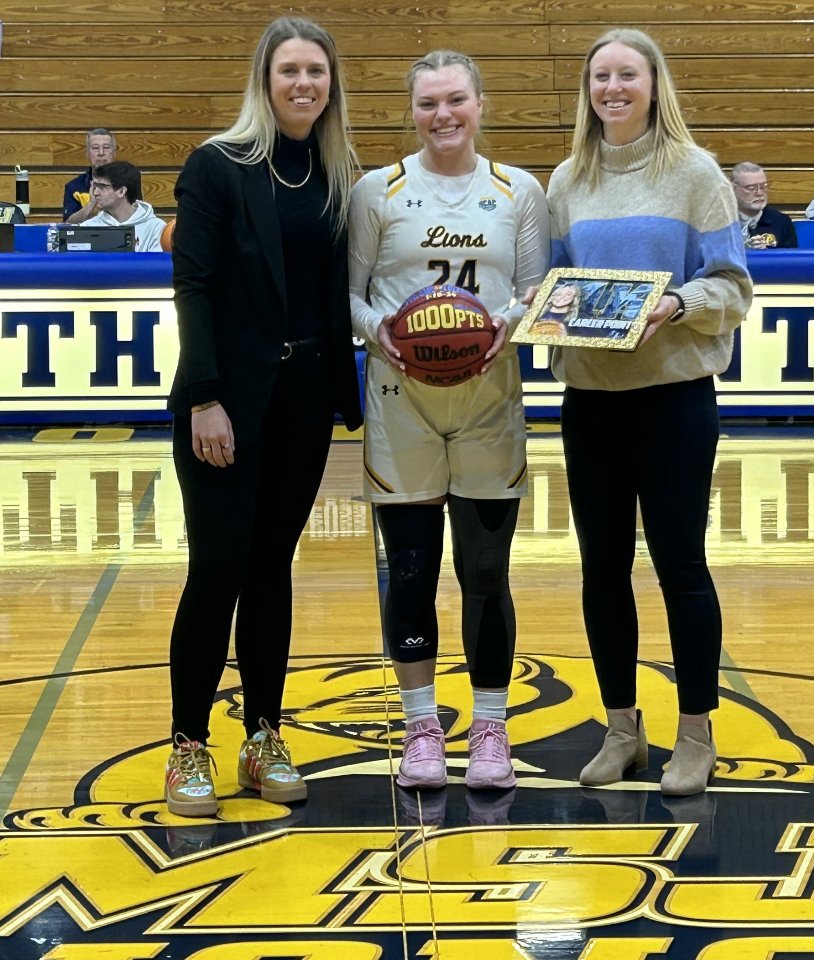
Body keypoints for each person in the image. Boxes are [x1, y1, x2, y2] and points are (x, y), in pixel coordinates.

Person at [164, 16, 362, 816]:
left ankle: (264, 736)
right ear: (265, 79)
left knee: (272, 570)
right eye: (290, 71)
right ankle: (186, 746)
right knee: (218, 568)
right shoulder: (216, 165)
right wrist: (205, 397)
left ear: (330, 83)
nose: (304, 84)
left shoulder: (335, 170)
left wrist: (348, 402)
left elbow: (332, 289)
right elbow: (195, 288)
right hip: (226, 403)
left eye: (317, 71)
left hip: (302, 403)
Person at [546, 28, 752, 797]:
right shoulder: (566, 180)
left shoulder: (696, 175)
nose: (613, 89)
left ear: (654, 84)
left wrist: (676, 301)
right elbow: (552, 291)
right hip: (591, 404)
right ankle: (622, 728)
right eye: (601, 76)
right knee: (603, 571)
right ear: (588, 90)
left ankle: (695, 731)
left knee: (681, 567)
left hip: (675, 401)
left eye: (627, 75)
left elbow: (732, 286)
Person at [349, 49, 549, 792]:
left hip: (490, 397)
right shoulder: (379, 191)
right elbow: (348, 296)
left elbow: (536, 291)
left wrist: (505, 322)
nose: (444, 115)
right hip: (402, 400)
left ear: (480, 103)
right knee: (409, 570)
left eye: (456, 100)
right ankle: (422, 728)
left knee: (486, 572)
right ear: (412, 111)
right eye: (429, 102)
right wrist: (386, 333)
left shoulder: (519, 190)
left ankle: (491, 727)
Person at [79, 161, 166, 251]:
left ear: (121, 191)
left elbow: (157, 264)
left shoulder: (156, 228)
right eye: (95, 187)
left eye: (101, 187)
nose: (95, 193)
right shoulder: (88, 228)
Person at [730, 162, 797, 249]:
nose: (759, 193)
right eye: (751, 188)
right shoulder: (720, 222)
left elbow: (791, 260)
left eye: (763, 187)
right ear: (733, 188)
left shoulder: (781, 222)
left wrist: (766, 255)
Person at [63, 128, 117, 223]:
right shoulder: (74, 187)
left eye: (106, 147)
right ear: (87, 153)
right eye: (95, 148)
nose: (101, 153)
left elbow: (137, 218)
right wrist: (91, 205)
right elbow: (68, 224)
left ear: (114, 152)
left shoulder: (128, 183)